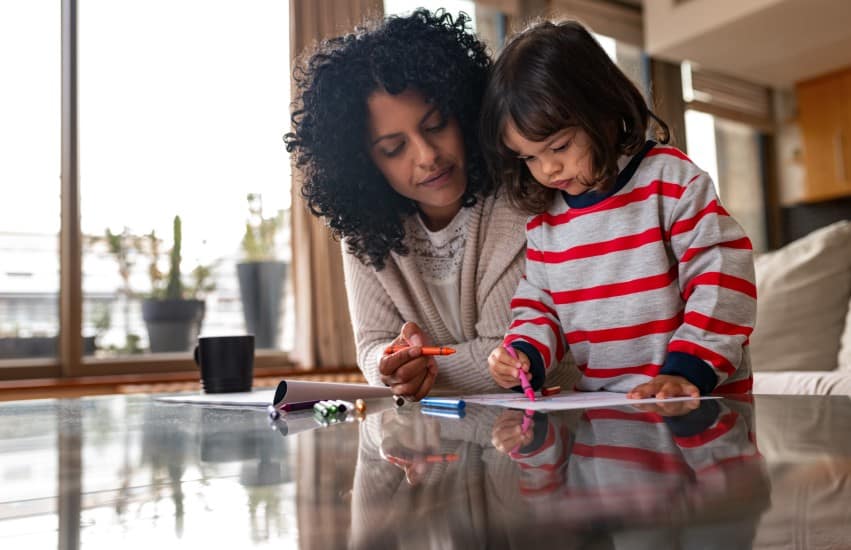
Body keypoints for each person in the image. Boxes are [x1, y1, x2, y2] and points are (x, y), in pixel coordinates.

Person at [284, 9, 575, 399]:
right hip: (445, 440)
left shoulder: (521, 199)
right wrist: (390, 368)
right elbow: (373, 347)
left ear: (463, 111)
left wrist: (423, 372)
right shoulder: (366, 229)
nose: (426, 156)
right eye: (393, 148)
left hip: (552, 430)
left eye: (436, 125)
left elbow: (508, 357)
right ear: (363, 162)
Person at [481, 20, 756, 398]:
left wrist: (688, 371)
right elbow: (539, 308)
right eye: (529, 157)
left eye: (559, 147)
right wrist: (522, 354)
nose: (548, 169)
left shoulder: (671, 182)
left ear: (605, 114)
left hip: (699, 403)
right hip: (611, 416)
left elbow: (723, 279)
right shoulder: (545, 224)